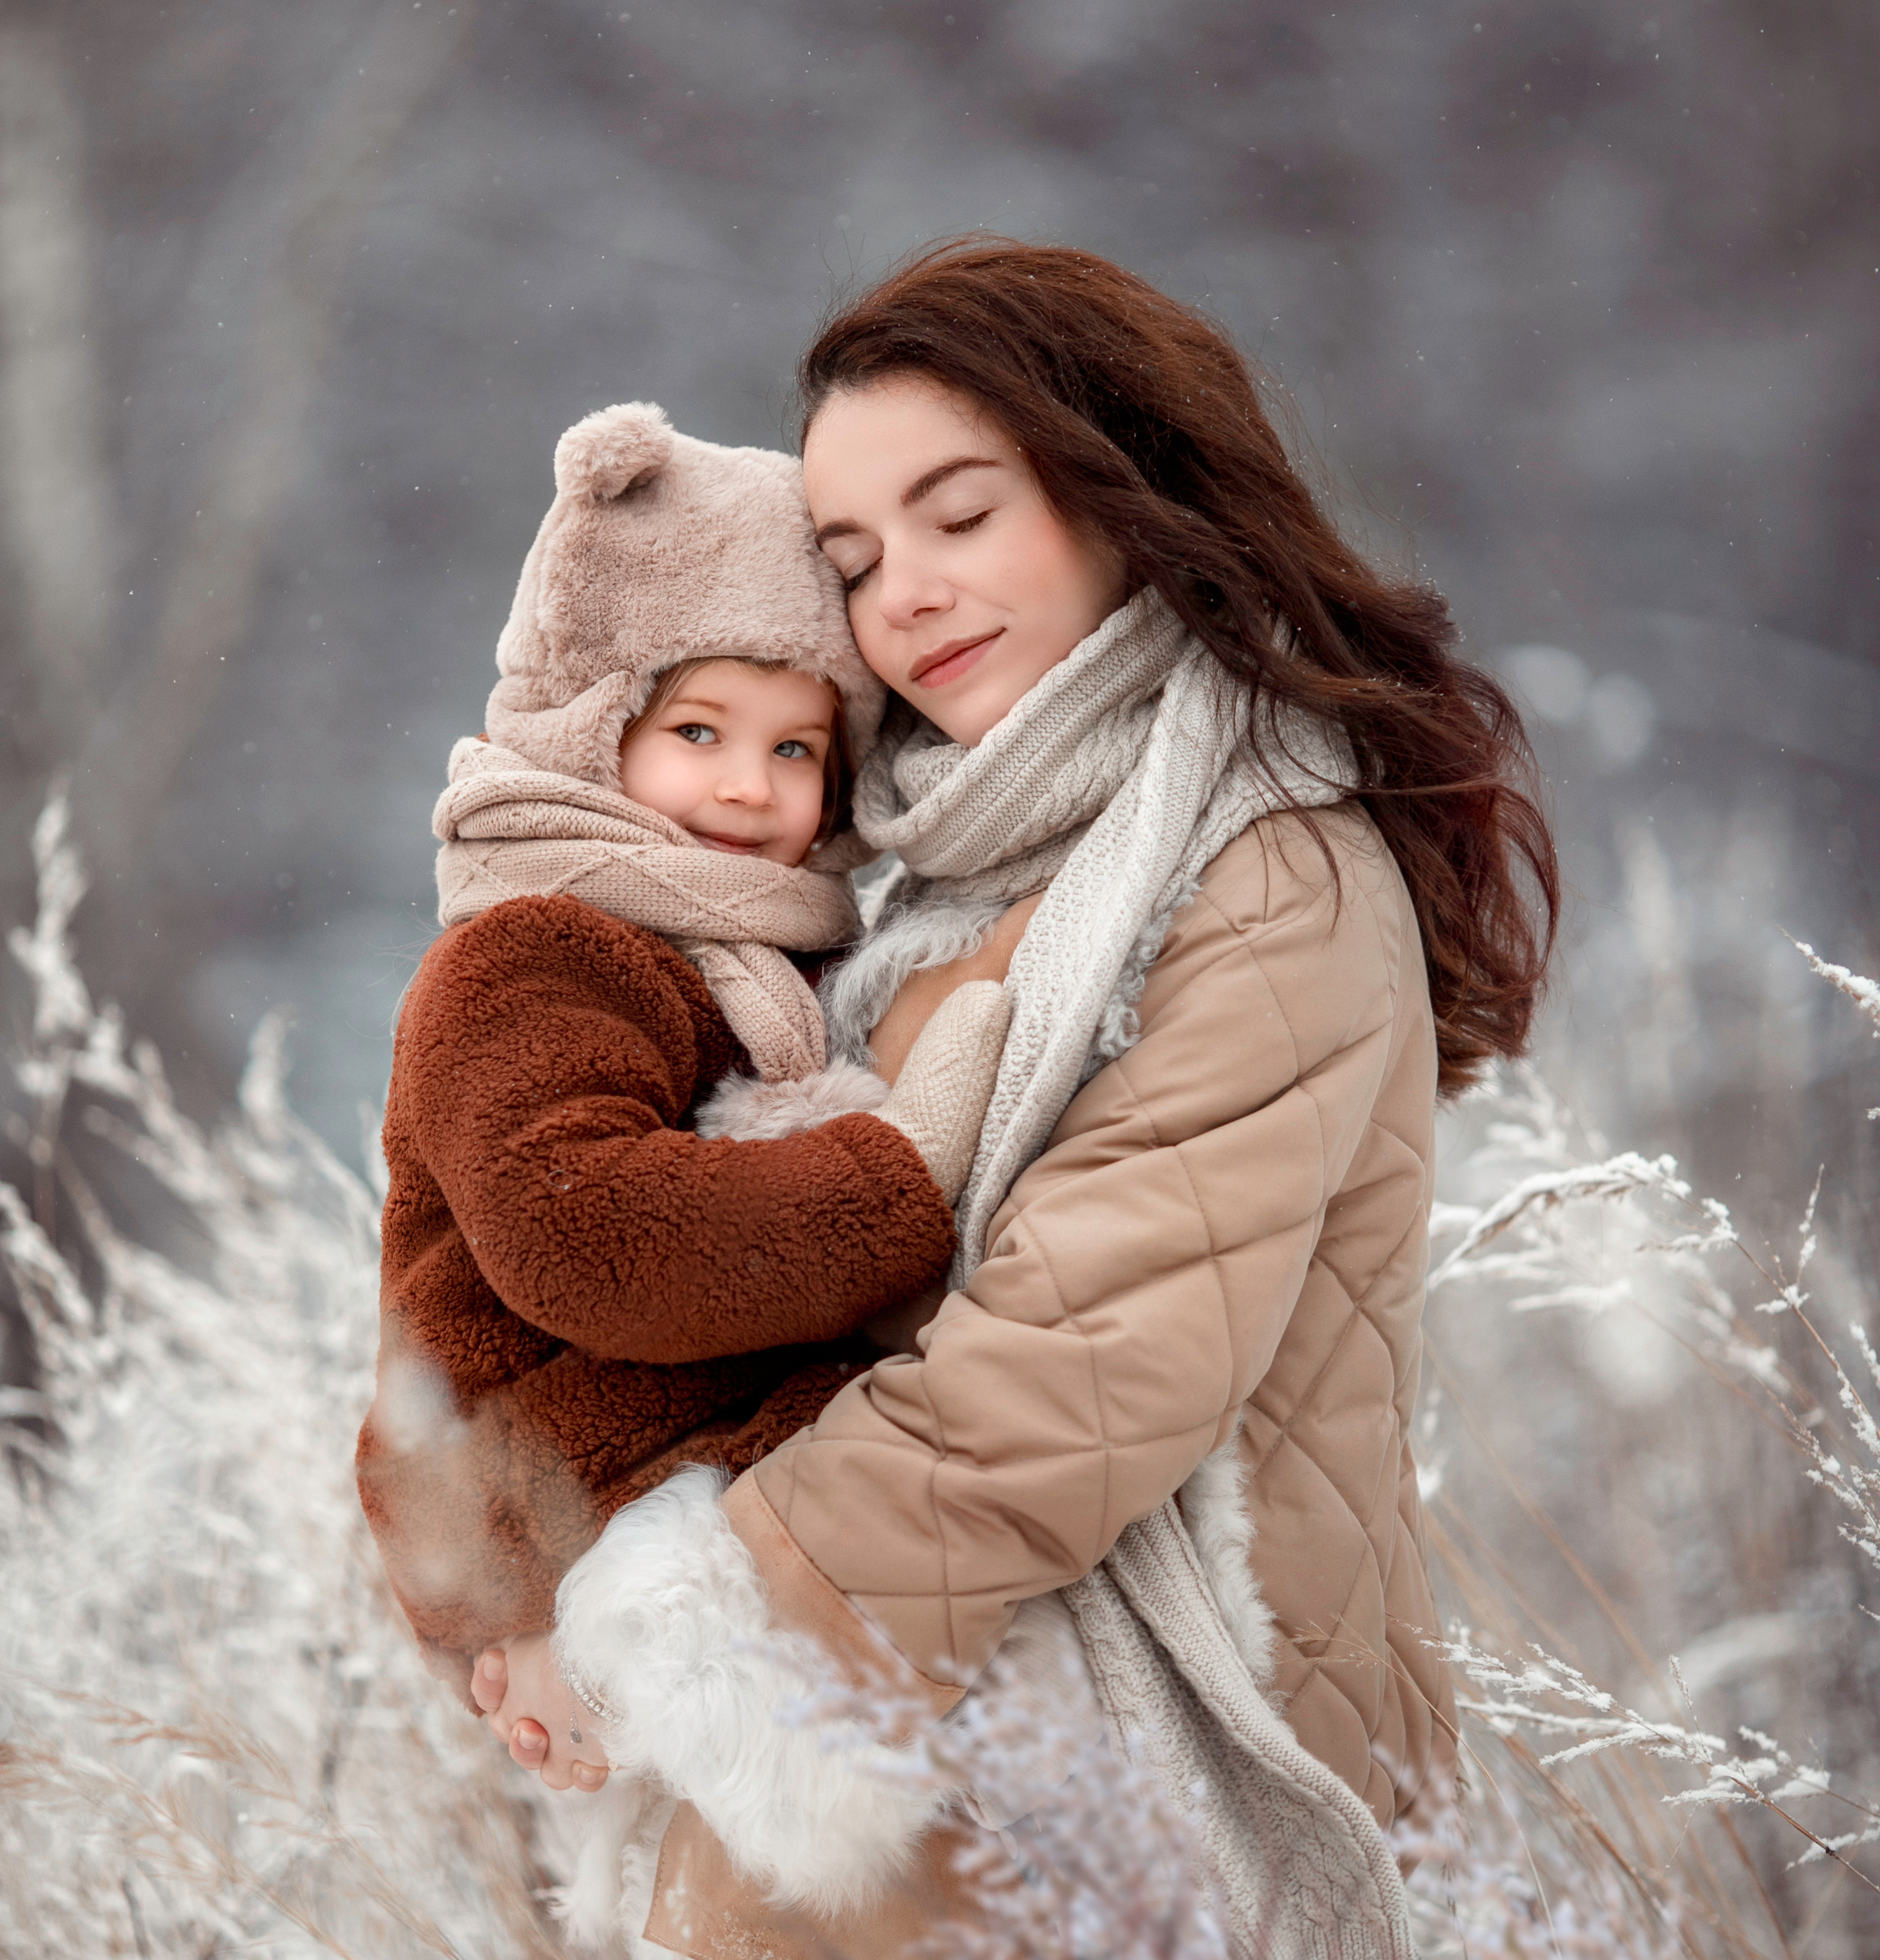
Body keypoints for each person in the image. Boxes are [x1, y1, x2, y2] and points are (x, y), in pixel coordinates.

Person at [504, 242, 1560, 1958]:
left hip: (1125, 1808)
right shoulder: (918, 872)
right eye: (849, 558)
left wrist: (662, 1617)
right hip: (904, 1764)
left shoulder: (1264, 862)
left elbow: (1076, 1373)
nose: (901, 591)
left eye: (957, 512)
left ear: (1118, 487)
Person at [354, 400, 1011, 1793]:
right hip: (522, 1468)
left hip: (610, 1458)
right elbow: (585, 1230)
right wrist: (896, 1178)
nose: (744, 788)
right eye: (699, 728)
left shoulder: (748, 956)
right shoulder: (536, 946)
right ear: (596, 732)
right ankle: (578, 1656)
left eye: (794, 750)